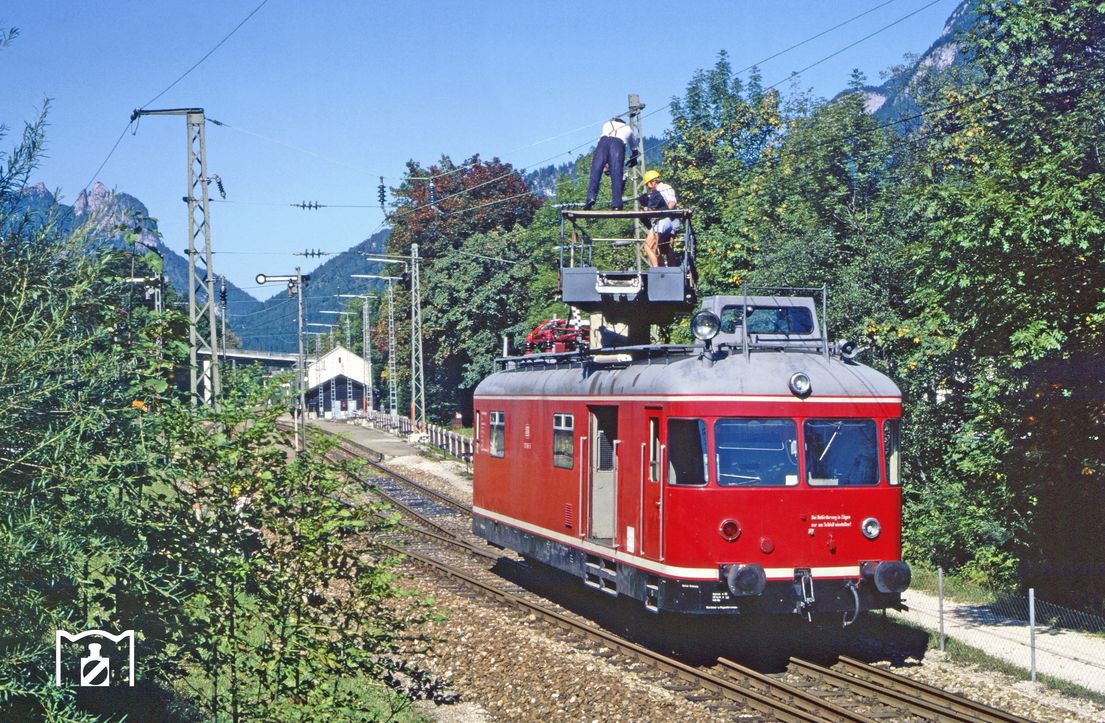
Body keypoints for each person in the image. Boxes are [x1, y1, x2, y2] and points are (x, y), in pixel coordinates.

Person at [584, 117, 638, 211]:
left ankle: (591, 198)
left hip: (602, 143)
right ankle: (617, 204)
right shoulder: (628, 129)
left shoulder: (606, 124)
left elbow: (604, 146)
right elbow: (635, 149)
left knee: (595, 172)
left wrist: (604, 163)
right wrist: (633, 159)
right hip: (618, 145)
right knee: (616, 175)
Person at [637, 169, 679, 267]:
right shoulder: (657, 191)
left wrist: (661, 213)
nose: (647, 187)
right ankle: (664, 270)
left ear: (653, 182)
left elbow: (672, 203)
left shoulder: (665, 188)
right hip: (668, 220)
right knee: (662, 247)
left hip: (670, 220)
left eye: (648, 184)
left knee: (652, 246)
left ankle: (658, 270)